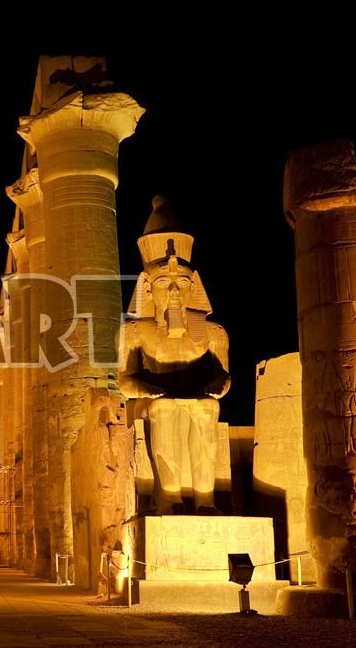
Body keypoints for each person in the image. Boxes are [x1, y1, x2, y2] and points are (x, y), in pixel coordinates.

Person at [118, 197, 230, 515]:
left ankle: (205, 499)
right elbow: (125, 382)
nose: (173, 292)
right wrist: (146, 389)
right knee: (165, 408)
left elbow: (223, 375)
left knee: (208, 407)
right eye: (164, 283)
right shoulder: (135, 331)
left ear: (193, 286)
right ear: (147, 288)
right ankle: (169, 497)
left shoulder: (213, 332)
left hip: (195, 398)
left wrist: (219, 385)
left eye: (181, 283)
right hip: (150, 402)